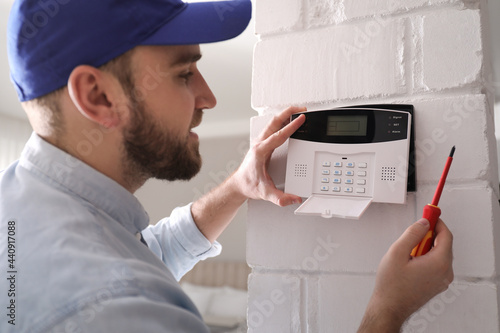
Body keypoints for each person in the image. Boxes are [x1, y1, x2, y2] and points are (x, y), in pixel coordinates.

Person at [0, 0, 453, 332]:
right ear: (99, 96)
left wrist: (239, 185)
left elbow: (142, 256)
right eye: (183, 74)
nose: (209, 98)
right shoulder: (126, 310)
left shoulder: (22, 205)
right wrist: (388, 309)